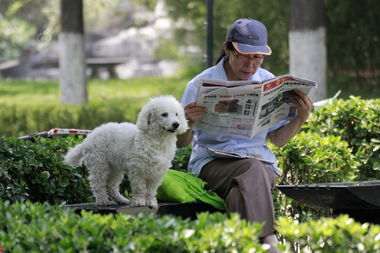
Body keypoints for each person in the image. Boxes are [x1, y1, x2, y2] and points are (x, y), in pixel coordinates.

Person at [177, 18, 313, 252]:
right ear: (227, 49)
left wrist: (300, 117)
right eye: (244, 56)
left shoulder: (269, 82)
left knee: (240, 191)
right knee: (251, 168)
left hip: (260, 167)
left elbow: (278, 139)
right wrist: (187, 122)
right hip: (213, 165)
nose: (251, 65)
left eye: (257, 57)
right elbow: (181, 143)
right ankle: (269, 241)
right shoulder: (199, 84)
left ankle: (250, 246)